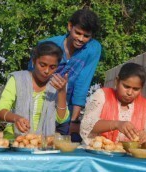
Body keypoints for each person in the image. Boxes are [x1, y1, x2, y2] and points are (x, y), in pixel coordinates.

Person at [28, 9, 101, 138]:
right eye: (77, 33)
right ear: (69, 26)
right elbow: (31, 78)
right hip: (41, 102)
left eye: (86, 36)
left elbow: (83, 83)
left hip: (66, 106)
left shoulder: (93, 49)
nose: (80, 39)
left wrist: (73, 121)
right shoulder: (47, 45)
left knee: (63, 141)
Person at [0, 41, 69, 140]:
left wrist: (61, 92)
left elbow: (61, 119)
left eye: (52, 67)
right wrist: (16, 118)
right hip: (15, 140)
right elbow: (0, 111)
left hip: (44, 143)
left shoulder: (57, 85)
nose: (47, 71)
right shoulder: (18, 79)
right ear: (34, 61)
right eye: (42, 65)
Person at [80, 63, 146, 148]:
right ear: (117, 81)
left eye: (136, 89)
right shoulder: (101, 95)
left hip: (127, 160)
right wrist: (116, 124)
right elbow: (86, 125)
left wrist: (145, 140)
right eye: (126, 86)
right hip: (96, 157)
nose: (130, 93)